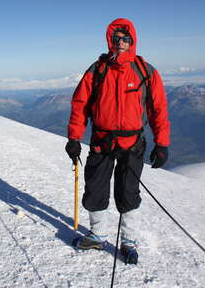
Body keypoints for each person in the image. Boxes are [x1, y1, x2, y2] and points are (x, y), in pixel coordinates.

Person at [65, 18, 170, 264]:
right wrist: (74, 137)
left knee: (128, 193)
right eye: (116, 38)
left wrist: (162, 143)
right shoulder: (97, 70)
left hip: (132, 144)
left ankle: (128, 241)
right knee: (95, 189)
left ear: (132, 41)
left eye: (125, 39)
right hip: (102, 141)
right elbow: (80, 105)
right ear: (110, 41)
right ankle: (98, 235)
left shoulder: (146, 71)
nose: (120, 43)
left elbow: (158, 110)